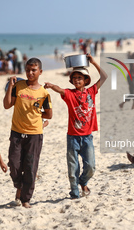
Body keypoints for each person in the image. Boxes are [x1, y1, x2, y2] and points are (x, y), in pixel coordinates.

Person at [44, 54, 108, 199]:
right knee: (73, 168)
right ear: (72, 81)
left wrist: (94, 62)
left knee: (91, 167)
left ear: (86, 80)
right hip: (73, 137)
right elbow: (60, 89)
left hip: (87, 137)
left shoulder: (92, 91)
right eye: (74, 78)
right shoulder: (70, 94)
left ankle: (83, 181)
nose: (77, 80)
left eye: (80, 78)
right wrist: (51, 85)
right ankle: (74, 192)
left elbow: (104, 76)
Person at [3, 58, 52, 208]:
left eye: (34, 70)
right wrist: (10, 87)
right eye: (28, 70)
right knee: (14, 164)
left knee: (31, 168)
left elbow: (48, 114)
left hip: (35, 135)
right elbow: (7, 105)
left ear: (40, 72)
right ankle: (19, 186)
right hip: (17, 133)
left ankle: (25, 199)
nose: (30, 73)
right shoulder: (18, 86)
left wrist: (36, 116)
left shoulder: (44, 93)